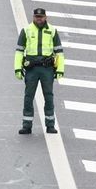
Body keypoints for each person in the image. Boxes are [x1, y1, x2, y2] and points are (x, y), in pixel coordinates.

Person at [14, 7, 65, 135]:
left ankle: (50, 125)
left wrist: (60, 69)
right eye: (37, 17)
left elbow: (59, 52)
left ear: (45, 17)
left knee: (48, 96)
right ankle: (26, 125)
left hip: (47, 69)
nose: (39, 19)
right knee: (28, 97)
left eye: (41, 17)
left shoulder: (52, 31)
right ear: (33, 17)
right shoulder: (26, 30)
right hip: (32, 69)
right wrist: (18, 68)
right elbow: (19, 51)